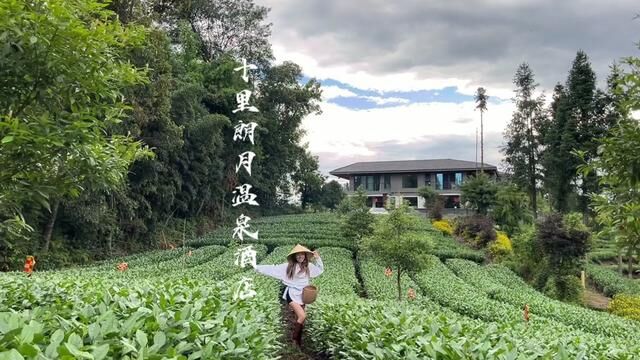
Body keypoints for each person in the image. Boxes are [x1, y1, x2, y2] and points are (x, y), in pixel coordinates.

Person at [253, 244, 324, 346]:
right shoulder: (288, 266)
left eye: (302, 255)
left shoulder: (308, 267)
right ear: (295, 256)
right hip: (292, 294)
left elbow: (320, 270)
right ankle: (295, 341)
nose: (300, 257)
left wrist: (318, 258)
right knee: (302, 316)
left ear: (305, 255)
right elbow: (273, 268)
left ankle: (299, 341)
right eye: (298, 255)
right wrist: (256, 267)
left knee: (299, 318)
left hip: (303, 295)